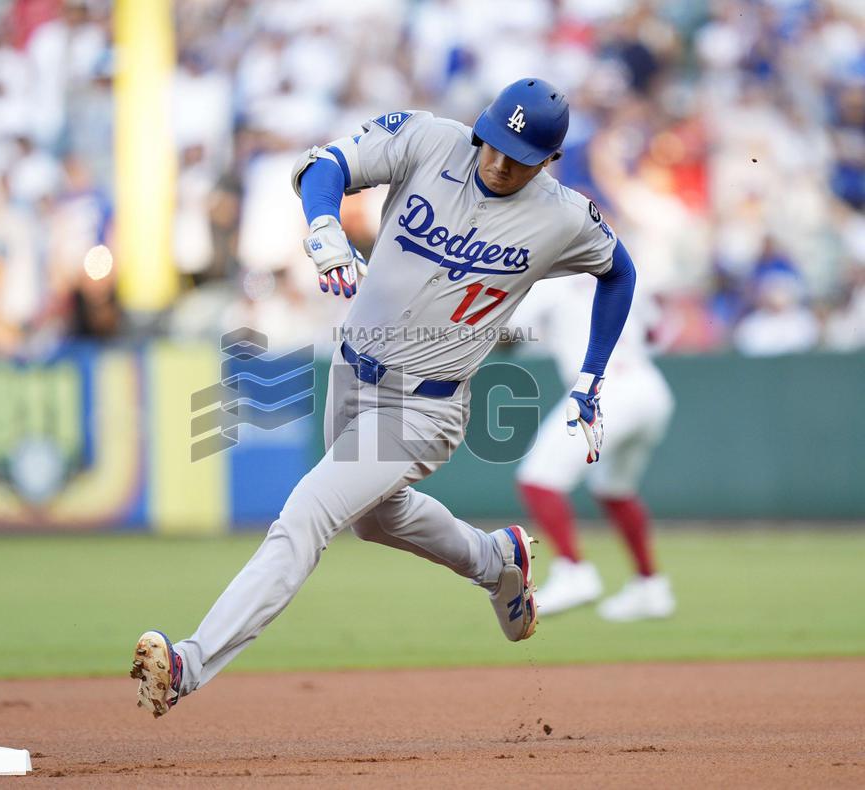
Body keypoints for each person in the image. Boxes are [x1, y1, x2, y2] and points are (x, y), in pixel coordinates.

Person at [131, 78, 637, 717]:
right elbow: (326, 166)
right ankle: (496, 559)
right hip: (351, 372)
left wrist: (591, 378)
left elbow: (620, 273)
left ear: (547, 161)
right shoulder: (429, 140)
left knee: (308, 514)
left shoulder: (561, 216)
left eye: (520, 156)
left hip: (425, 406)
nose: (500, 162)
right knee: (375, 517)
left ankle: (187, 664)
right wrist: (324, 227)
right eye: (495, 143)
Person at [513, 274, 676, 621]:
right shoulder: (622, 267)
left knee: (538, 479)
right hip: (648, 386)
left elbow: (508, 335)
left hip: (604, 390)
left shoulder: (549, 281)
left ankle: (573, 571)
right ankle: (651, 586)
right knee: (615, 490)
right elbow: (654, 331)